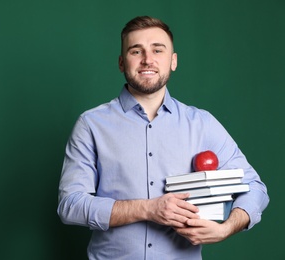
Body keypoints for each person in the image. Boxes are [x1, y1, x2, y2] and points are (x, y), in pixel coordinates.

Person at [57, 16, 269, 259]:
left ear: (173, 61)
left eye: (158, 50)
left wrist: (226, 229)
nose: (148, 59)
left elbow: (255, 188)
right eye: (136, 51)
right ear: (121, 62)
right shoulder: (91, 124)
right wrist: (148, 208)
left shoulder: (202, 124)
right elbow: (70, 205)